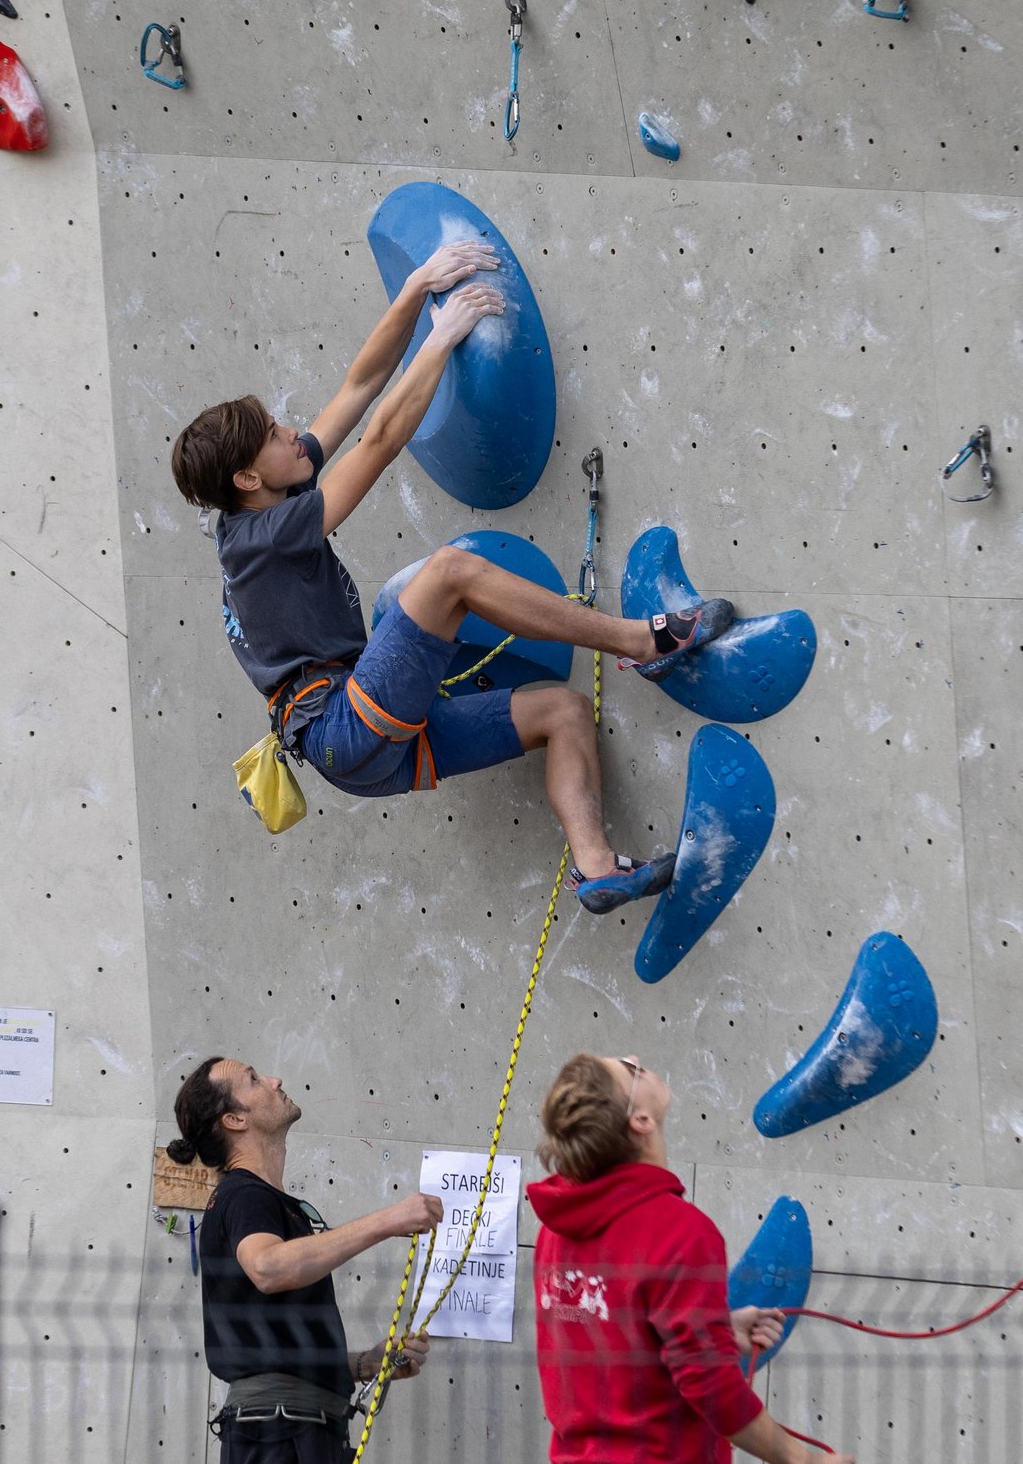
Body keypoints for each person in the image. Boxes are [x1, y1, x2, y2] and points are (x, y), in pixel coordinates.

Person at [169, 241, 737, 913]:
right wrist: (441, 336)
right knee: (448, 574)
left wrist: (414, 290)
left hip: (364, 743)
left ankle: (596, 866)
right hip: (346, 724)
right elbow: (378, 443)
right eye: (273, 432)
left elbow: (356, 389)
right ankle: (641, 645)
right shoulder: (261, 537)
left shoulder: (269, 500)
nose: (292, 430)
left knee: (562, 712)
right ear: (246, 478)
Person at [528, 1053, 854, 1464]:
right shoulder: (679, 1231)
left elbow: (611, 1329)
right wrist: (804, 1460)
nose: (637, 1059)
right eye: (630, 1069)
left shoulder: (556, 1227)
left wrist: (710, 1325)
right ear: (641, 1121)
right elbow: (711, 1385)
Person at [167, 1055, 445, 1463]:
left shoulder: (264, 1201)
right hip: (279, 1433)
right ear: (235, 1120)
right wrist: (389, 1220)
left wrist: (365, 1363)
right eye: (254, 1079)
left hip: (290, 1431)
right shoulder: (245, 1196)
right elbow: (268, 1267)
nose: (275, 1080)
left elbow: (273, 1348)